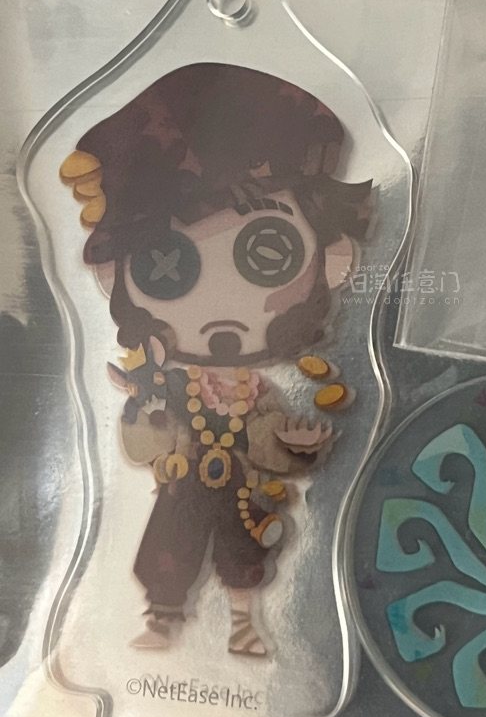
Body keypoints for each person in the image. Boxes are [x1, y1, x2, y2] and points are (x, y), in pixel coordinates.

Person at [59, 62, 372, 655]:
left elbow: (265, 439)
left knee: (243, 547)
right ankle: (163, 617)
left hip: (239, 492)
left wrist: (294, 445)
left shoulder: (258, 393)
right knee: (169, 548)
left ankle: (243, 623)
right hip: (182, 488)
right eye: (167, 265)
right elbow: (146, 446)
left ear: (332, 259)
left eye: (269, 253)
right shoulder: (175, 385)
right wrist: (146, 410)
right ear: (113, 273)